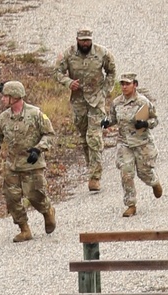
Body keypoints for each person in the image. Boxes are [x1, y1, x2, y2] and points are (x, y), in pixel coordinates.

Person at [0, 82, 56, 242]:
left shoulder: (35, 114)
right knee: (12, 198)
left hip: (32, 164)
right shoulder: (4, 117)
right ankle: (24, 228)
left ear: (15, 97)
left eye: (6, 96)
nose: (3, 99)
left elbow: (49, 135)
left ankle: (47, 211)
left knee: (35, 196)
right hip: (12, 165)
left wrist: (38, 149)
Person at [54, 27, 116, 192]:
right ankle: (92, 167)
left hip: (96, 100)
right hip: (78, 101)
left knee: (93, 136)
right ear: (77, 40)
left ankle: (95, 177)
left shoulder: (102, 53)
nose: (85, 43)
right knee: (84, 137)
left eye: (88, 40)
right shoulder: (68, 54)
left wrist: (105, 91)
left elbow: (112, 71)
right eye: (82, 40)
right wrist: (68, 82)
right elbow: (57, 72)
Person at [106, 73, 161, 218]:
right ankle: (131, 205)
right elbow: (113, 118)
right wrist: (106, 123)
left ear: (134, 85)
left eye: (127, 84)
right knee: (126, 173)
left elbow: (155, 120)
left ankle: (154, 182)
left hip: (141, 142)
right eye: (122, 84)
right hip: (124, 143)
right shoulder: (117, 102)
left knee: (144, 172)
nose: (124, 87)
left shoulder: (143, 102)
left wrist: (146, 123)